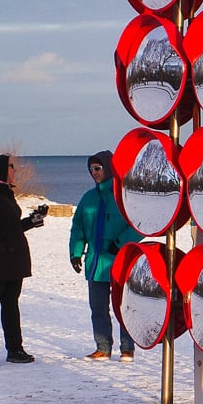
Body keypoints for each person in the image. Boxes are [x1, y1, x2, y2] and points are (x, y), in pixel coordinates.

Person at [0, 153, 46, 366]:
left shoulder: (4, 192)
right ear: (1, 169)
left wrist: (34, 220)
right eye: (12, 166)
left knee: (11, 305)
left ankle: (15, 349)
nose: (15, 170)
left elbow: (10, 228)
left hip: (12, 261)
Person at [69, 151, 135, 361]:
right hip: (95, 263)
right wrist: (76, 252)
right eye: (91, 170)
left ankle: (127, 349)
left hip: (119, 262)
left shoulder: (124, 195)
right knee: (98, 308)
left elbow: (139, 225)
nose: (94, 173)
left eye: (98, 168)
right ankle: (103, 348)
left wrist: (120, 243)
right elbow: (77, 227)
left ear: (108, 168)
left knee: (123, 307)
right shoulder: (88, 198)